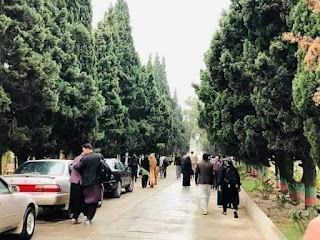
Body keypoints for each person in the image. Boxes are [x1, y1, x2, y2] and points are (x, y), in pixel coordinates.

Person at [74, 143, 104, 226]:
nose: (83, 152)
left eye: (83, 150)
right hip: (96, 183)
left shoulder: (85, 158)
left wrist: (74, 165)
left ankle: (87, 216)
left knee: (86, 200)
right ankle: (89, 219)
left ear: (87, 149)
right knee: (94, 201)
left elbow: (78, 167)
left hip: (86, 183)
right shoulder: (99, 156)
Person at [69, 150, 85, 224]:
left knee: (73, 199)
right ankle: (75, 217)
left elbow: (72, 167)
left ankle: (74, 216)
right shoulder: (83, 159)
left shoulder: (76, 158)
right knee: (79, 200)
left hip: (74, 181)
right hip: (79, 182)